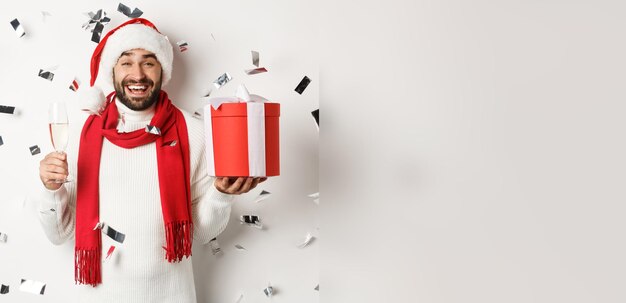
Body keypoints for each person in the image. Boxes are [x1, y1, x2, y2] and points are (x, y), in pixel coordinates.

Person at [34, 18, 264, 302]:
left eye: (148, 62)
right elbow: (59, 235)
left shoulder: (195, 134)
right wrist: (50, 189)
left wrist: (221, 196)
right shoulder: (82, 133)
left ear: (162, 70)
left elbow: (200, 235)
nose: (138, 74)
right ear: (113, 70)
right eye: (127, 62)